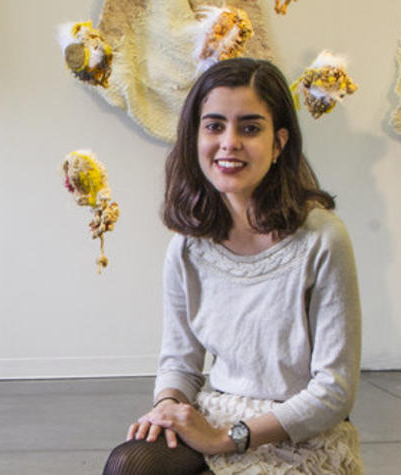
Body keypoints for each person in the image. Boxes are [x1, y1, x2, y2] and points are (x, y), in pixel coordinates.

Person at [102, 57, 363, 474]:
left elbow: (334, 391)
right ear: (196, 137)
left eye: (250, 127)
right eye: (214, 125)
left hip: (300, 430)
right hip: (216, 412)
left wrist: (228, 439)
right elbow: (180, 363)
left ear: (279, 144)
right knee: (130, 464)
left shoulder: (322, 240)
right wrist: (168, 406)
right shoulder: (187, 249)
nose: (229, 142)